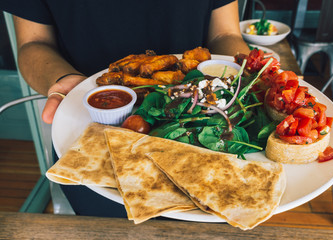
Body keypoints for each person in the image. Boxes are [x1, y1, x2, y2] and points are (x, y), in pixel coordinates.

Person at [1, 0, 250, 217]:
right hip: (92, 137)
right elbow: (33, 42)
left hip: (207, 134)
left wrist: (252, 72)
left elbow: (224, 35)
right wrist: (65, 79)